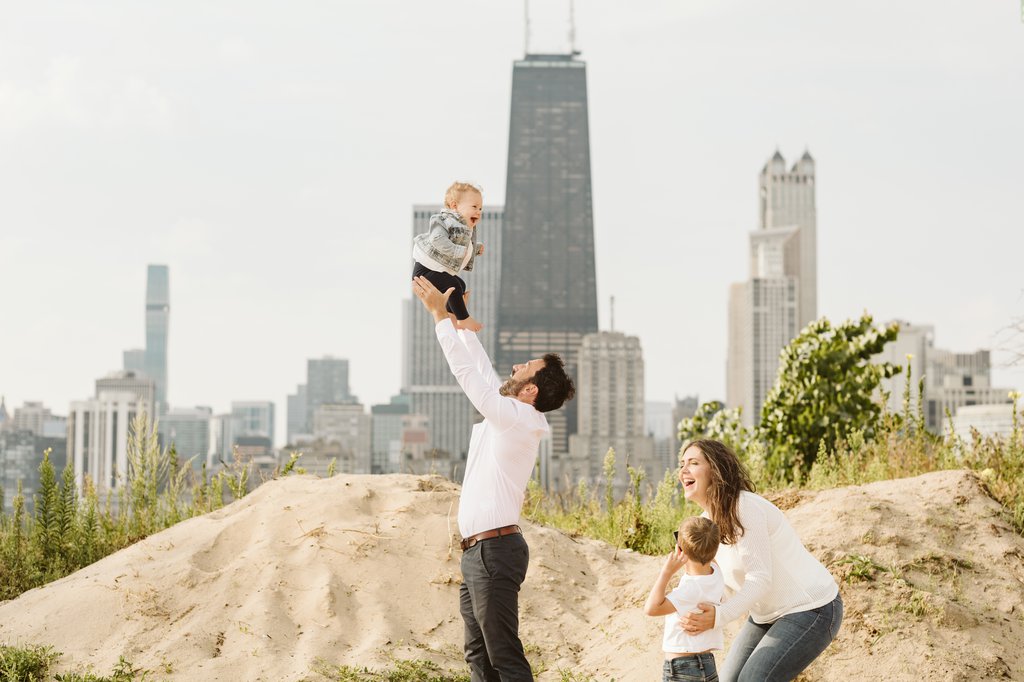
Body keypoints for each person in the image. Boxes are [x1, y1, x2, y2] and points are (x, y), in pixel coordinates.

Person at [411, 275, 576, 682]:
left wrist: (440, 320)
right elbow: (484, 373)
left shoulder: (522, 419)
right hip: (478, 552)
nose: (516, 366)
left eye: (525, 368)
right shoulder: (513, 414)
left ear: (531, 391)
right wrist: (460, 320)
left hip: (494, 551)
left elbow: (476, 385)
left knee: (504, 655)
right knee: (478, 657)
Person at [676, 438, 843, 682]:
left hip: (812, 608)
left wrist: (719, 616)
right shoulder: (706, 525)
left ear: (716, 469)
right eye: (682, 464)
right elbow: (713, 585)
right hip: (766, 616)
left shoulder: (744, 507)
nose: (683, 471)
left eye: (693, 463)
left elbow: (760, 579)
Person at [644, 516, 725, 682]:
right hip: (708, 664)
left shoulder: (690, 588)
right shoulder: (717, 573)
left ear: (680, 551)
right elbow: (708, 551)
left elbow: (651, 608)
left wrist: (666, 572)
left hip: (681, 667)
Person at [412, 181, 486, 332]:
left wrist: (476, 249)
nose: (478, 211)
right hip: (425, 272)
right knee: (453, 285)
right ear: (454, 206)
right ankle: (463, 319)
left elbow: (461, 244)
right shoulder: (443, 220)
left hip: (435, 271)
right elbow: (438, 240)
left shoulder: (466, 227)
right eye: (474, 207)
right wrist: (459, 251)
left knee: (460, 286)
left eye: (480, 208)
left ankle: (453, 318)